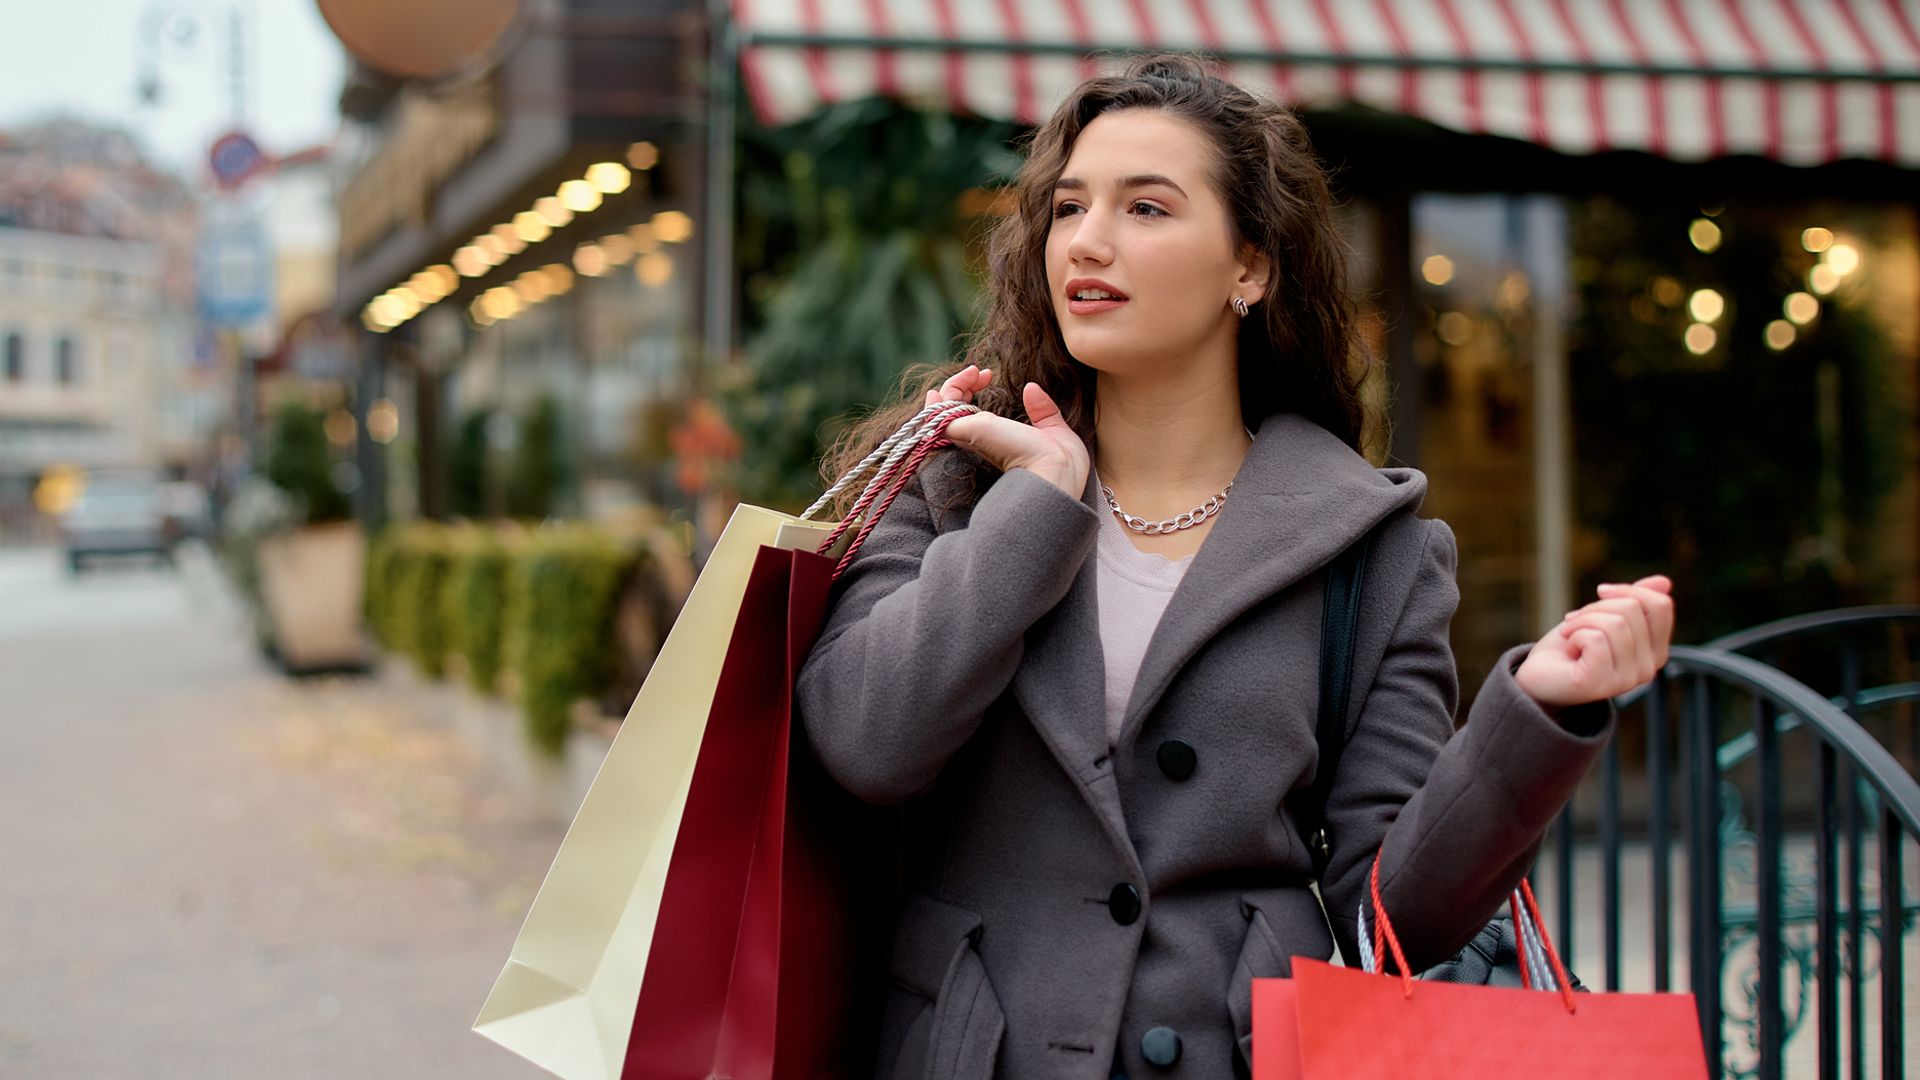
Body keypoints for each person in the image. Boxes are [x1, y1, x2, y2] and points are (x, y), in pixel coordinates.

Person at [795, 53, 1674, 1080]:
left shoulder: (1372, 544)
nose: (1089, 239)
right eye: (1070, 206)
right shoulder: (959, 484)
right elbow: (862, 743)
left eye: (1148, 208)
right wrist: (1034, 513)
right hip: (971, 1052)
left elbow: (1394, 910)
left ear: (1249, 267)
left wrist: (1537, 714)